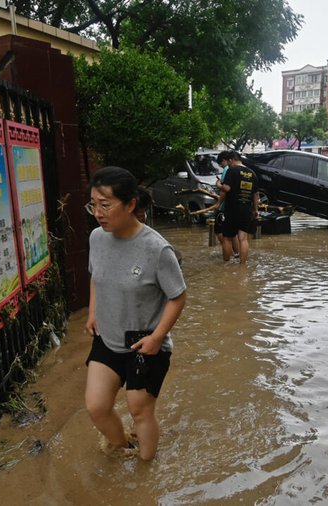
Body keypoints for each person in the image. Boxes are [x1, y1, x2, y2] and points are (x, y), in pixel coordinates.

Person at [85, 167, 187, 461]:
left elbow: (178, 297)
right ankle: (121, 447)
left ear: (130, 205)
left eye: (106, 204)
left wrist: (157, 337)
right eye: (94, 204)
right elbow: (96, 277)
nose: (98, 213)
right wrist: (93, 313)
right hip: (108, 335)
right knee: (96, 407)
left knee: (139, 409)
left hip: (145, 341)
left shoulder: (157, 249)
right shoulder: (96, 238)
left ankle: (146, 467)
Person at [217, 150, 258, 264]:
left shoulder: (232, 170)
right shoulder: (252, 173)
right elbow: (255, 194)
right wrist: (255, 210)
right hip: (246, 210)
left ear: (231, 160)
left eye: (229, 162)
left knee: (227, 238)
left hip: (232, 209)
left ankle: (226, 264)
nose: (228, 165)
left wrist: (218, 184)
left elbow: (226, 188)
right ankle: (243, 266)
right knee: (243, 238)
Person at [214, 153, 240, 260]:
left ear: (226, 160)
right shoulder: (240, 171)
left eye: (221, 164)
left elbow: (224, 189)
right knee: (233, 234)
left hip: (225, 207)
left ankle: (227, 259)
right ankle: (237, 254)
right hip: (236, 206)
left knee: (222, 234)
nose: (222, 166)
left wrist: (218, 203)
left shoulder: (227, 170)